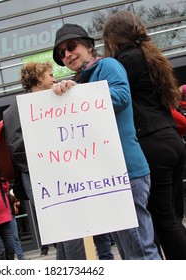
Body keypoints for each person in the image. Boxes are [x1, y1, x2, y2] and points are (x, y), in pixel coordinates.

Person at [52, 23, 161, 260]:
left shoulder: (108, 66)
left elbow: (121, 97)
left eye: (71, 47)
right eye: (61, 53)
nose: (67, 54)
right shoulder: (79, 82)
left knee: (140, 250)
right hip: (106, 178)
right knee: (129, 252)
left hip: (126, 171)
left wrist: (76, 95)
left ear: (89, 47)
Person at [103, 11, 186, 259]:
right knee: (172, 218)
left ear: (112, 39)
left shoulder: (121, 63)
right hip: (172, 141)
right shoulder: (150, 55)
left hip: (150, 143)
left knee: (163, 223)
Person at [3, 61, 85, 259]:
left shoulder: (54, 100)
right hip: (40, 176)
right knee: (66, 228)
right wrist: (45, 163)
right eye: (49, 75)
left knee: (66, 229)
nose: (54, 79)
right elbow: (17, 147)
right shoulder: (16, 109)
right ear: (38, 79)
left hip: (59, 173)